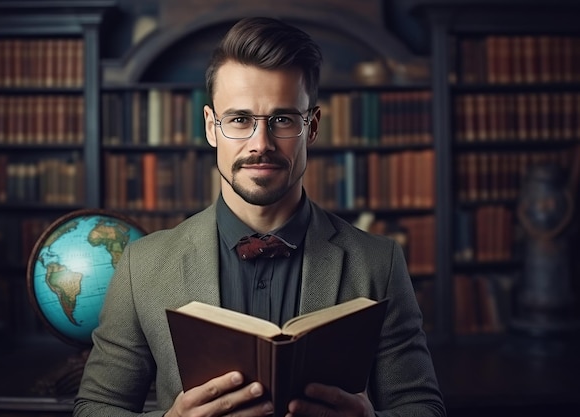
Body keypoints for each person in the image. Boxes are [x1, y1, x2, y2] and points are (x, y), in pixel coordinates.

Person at [74, 16, 446, 417]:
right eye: (240, 120)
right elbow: (95, 407)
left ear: (313, 127)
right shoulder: (140, 266)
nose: (261, 144)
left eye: (282, 120)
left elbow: (423, 407)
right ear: (211, 127)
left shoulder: (379, 262)